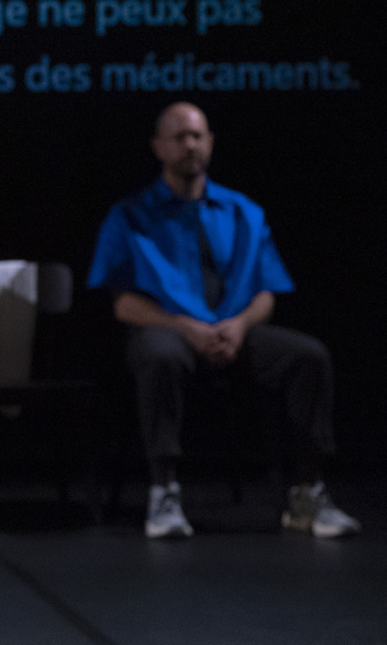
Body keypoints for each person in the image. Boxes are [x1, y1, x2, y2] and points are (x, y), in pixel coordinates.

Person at [88, 101, 360, 540]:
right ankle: (164, 491)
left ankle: (308, 491)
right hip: (171, 333)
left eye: (198, 135)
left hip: (233, 334)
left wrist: (238, 325)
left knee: (309, 357)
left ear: (210, 142)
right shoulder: (130, 216)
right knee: (159, 356)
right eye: (179, 137)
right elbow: (124, 305)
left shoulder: (244, 213)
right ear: (159, 147)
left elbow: (266, 291)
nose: (190, 145)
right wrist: (185, 328)